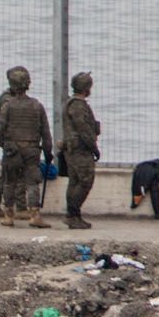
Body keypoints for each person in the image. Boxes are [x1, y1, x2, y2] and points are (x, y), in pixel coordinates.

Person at [0, 64, 54, 228]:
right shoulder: (37, 106)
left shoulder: (8, 106)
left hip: (11, 151)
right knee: (32, 183)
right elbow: (46, 132)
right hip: (31, 149)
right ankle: (34, 214)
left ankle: (8, 215)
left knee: (9, 182)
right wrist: (49, 152)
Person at [59, 70, 100, 229]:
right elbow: (83, 130)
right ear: (86, 88)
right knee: (85, 181)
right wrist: (94, 147)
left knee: (75, 181)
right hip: (79, 150)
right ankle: (72, 213)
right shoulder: (78, 106)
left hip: (73, 149)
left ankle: (73, 214)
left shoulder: (72, 103)